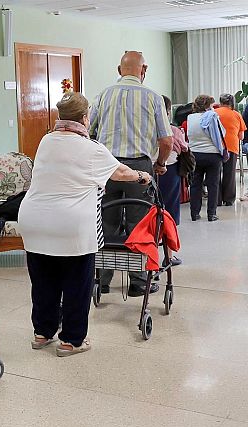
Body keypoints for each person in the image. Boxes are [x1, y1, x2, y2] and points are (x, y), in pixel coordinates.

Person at [18, 92, 152, 356]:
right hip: (70, 226)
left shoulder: (46, 141)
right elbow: (121, 173)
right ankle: (72, 340)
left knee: (44, 281)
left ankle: (43, 333)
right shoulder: (91, 149)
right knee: (76, 283)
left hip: (34, 221)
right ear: (84, 117)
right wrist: (142, 175)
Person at [89, 50, 172, 297]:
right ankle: (138, 281)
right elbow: (166, 140)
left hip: (107, 167)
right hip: (139, 169)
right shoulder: (153, 97)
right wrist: (160, 163)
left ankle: (102, 280)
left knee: (105, 220)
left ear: (119, 70)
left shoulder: (103, 95)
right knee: (140, 222)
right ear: (143, 71)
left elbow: (87, 131)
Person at [187, 95, 228, 222]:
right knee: (213, 185)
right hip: (212, 156)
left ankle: (194, 213)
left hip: (195, 155)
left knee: (195, 185)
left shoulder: (190, 117)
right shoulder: (212, 117)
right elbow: (222, 133)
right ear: (207, 106)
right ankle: (211, 214)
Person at [215, 93, 246, 206]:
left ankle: (216, 199)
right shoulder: (237, 115)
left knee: (216, 173)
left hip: (216, 147)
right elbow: (241, 136)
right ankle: (228, 199)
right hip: (231, 147)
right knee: (230, 174)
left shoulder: (214, 113)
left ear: (220, 102)